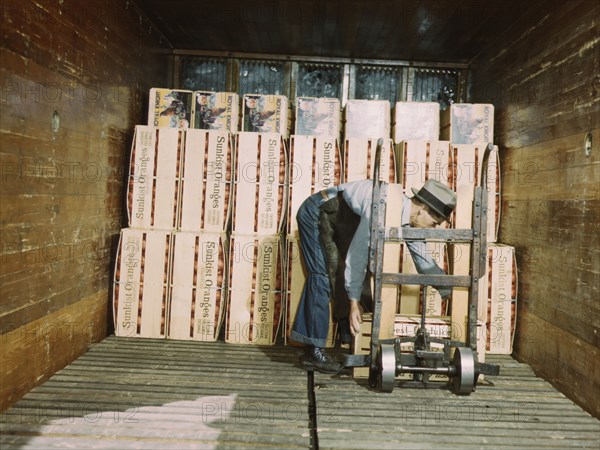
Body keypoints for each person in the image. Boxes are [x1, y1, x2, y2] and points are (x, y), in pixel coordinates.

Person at [290, 178, 457, 373]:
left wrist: (449, 290)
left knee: (352, 272)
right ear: (423, 209)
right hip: (319, 210)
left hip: (345, 218)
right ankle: (313, 351)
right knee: (323, 274)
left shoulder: (410, 223)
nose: (434, 228)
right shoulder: (382, 207)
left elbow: (424, 261)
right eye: (435, 222)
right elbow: (357, 256)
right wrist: (353, 302)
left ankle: (351, 339)